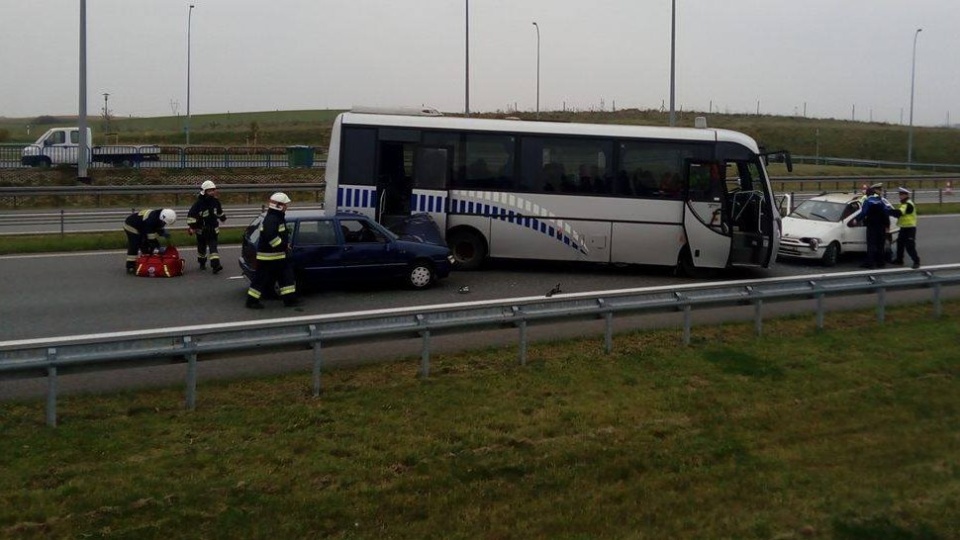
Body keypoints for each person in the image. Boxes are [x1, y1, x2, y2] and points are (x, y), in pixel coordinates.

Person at [246, 192, 299, 309]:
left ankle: (289, 300)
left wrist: (284, 245)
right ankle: (252, 301)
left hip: (276, 256)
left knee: (285, 277)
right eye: (285, 205)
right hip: (269, 257)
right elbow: (271, 237)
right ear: (279, 206)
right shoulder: (272, 219)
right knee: (261, 279)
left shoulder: (276, 217)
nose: (287, 207)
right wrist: (284, 246)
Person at [186, 180, 227, 273]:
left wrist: (223, 218)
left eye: (213, 190)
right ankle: (202, 263)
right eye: (209, 190)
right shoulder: (198, 204)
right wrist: (192, 227)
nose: (212, 192)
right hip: (201, 231)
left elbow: (219, 211)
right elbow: (191, 216)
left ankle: (216, 266)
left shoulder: (216, 201)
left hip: (212, 230)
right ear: (204, 191)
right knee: (201, 248)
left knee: (213, 248)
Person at [123, 208, 176, 273]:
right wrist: (157, 247)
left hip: (141, 226)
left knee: (145, 244)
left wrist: (162, 232)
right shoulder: (152, 219)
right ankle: (130, 265)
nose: (164, 224)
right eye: (164, 222)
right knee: (135, 244)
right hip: (131, 225)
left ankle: (146, 260)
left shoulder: (158, 216)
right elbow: (151, 238)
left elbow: (155, 228)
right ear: (162, 217)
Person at [854, 185, 894, 269]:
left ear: (868, 194)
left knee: (871, 245)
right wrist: (887, 225)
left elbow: (863, 213)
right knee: (880, 245)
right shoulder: (880, 201)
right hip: (881, 227)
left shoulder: (868, 201)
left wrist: (856, 219)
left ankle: (870, 263)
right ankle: (881, 263)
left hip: (872, 226)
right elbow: (886, 213)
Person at [891, 187, 921, 269]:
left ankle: (916, 261)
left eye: (901, 194)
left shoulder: (908, 204)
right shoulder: (904, 203)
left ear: (906, 195)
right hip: (904, 228)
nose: (900, 196)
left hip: (910, 228)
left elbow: (899, 213)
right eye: (899, 194)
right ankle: (899, 260)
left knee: (910, 246)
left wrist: (887, 211)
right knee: (900, 244)